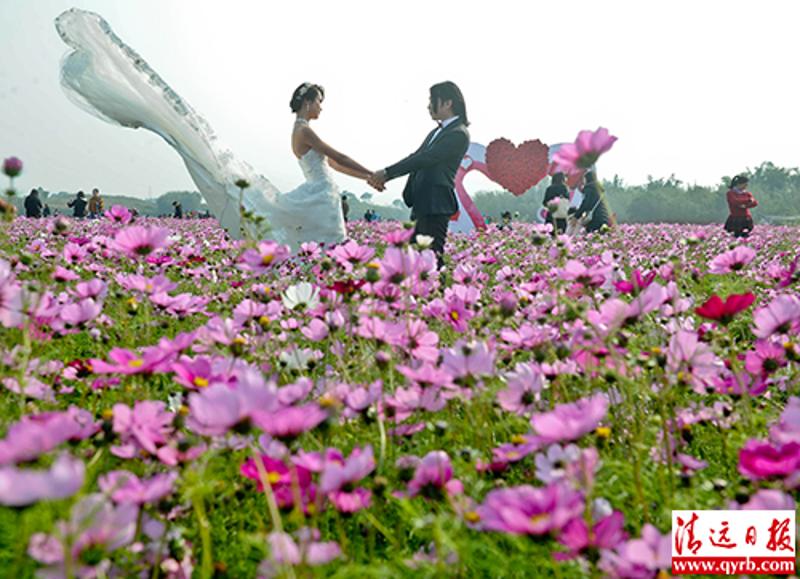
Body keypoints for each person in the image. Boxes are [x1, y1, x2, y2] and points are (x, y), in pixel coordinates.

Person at [55, 10, 374, 250]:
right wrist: (373, 174)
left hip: (322, 196)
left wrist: (366, 177)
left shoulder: (302, 130)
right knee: (322, 245)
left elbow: (333, 164)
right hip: (319, 197)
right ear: (306, 101)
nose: (322, 107)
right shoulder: (303, 130)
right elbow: (337, 156)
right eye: (319, 101)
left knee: (323, 246)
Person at [368, 81, 470, 268]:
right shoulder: (437, 131)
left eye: (432, 101)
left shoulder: (458, 133)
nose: (428, 106)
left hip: (436, 204)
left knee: (431, 260)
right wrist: (385, 173)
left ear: (447, 103)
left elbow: (425, 158)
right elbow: (416, 156)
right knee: (415, 260)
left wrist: (387, 173)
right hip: (423, 202)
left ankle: (439, 296)